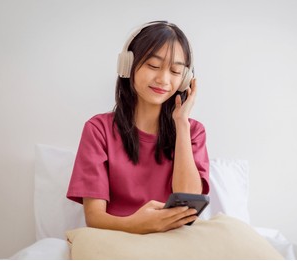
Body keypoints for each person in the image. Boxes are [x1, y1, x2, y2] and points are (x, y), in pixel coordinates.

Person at [67, 21, 209, 234]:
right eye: (153, 66)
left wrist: (181, 123)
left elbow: (188, 204)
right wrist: (137, 225)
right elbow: (94, 217)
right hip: (119, 237)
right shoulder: (98, 129)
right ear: (127, 65)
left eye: (175, 71)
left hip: (174, 240)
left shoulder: (193, 131)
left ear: (184, 80)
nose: (163, 79)